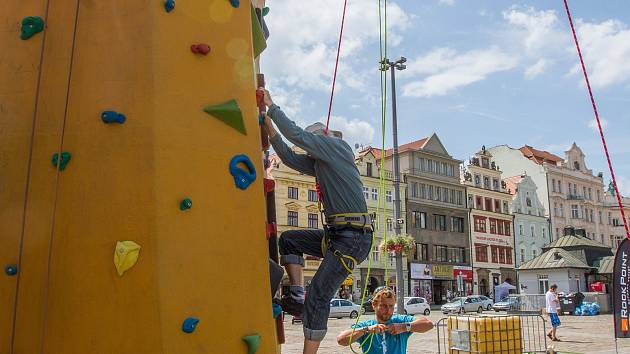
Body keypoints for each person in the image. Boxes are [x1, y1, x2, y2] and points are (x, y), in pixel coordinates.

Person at [260, 89, 373, 354]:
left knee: (320, 296)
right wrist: (271, 131)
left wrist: (272, 107)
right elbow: (289, 158)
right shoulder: (322, 163)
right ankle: (298, 292)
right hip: (338, 236)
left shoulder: (336, 147)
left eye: (311, 147)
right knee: (289, 240)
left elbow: (298, 135)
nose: (309, 152)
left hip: (353, 237)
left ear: (321, 139)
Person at [337, 288, 434, 353]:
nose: (388, 310)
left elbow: (428, 324)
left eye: (391, 306)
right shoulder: (367, 325)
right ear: (374, 305)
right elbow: (341, 340)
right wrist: (366, 330)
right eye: (383, 306)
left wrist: (404, 327)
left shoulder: (400, 321)